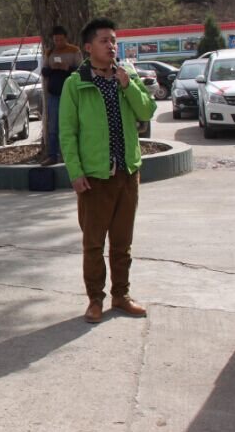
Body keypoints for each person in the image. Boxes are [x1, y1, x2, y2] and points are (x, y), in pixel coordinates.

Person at [60, 17, 156, 324]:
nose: (111, 46)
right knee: (93, 244)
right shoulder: (76, 84)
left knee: (122, 243)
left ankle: (121, 295)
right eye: (104, 41)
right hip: (95, 178)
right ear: (89, 48)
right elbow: (67, 133)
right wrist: (75, 172)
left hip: (127, 174)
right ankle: (95, 300)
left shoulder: (126, 76)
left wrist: (128, 85)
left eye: (114, 40)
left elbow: (147, 110)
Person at [40, 25, 83, 166]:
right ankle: (53, 155)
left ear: (66, 38)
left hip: (70, 95)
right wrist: (53, 68)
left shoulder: (74, 51)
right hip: (54, 94)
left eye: (61, 40)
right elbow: (44, 71)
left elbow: (81, 71)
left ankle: (74, 155)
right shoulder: (49, 52)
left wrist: (68, 68)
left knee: (72, 125)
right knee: (53, 127)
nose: (58, 42)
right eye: (56, 40)